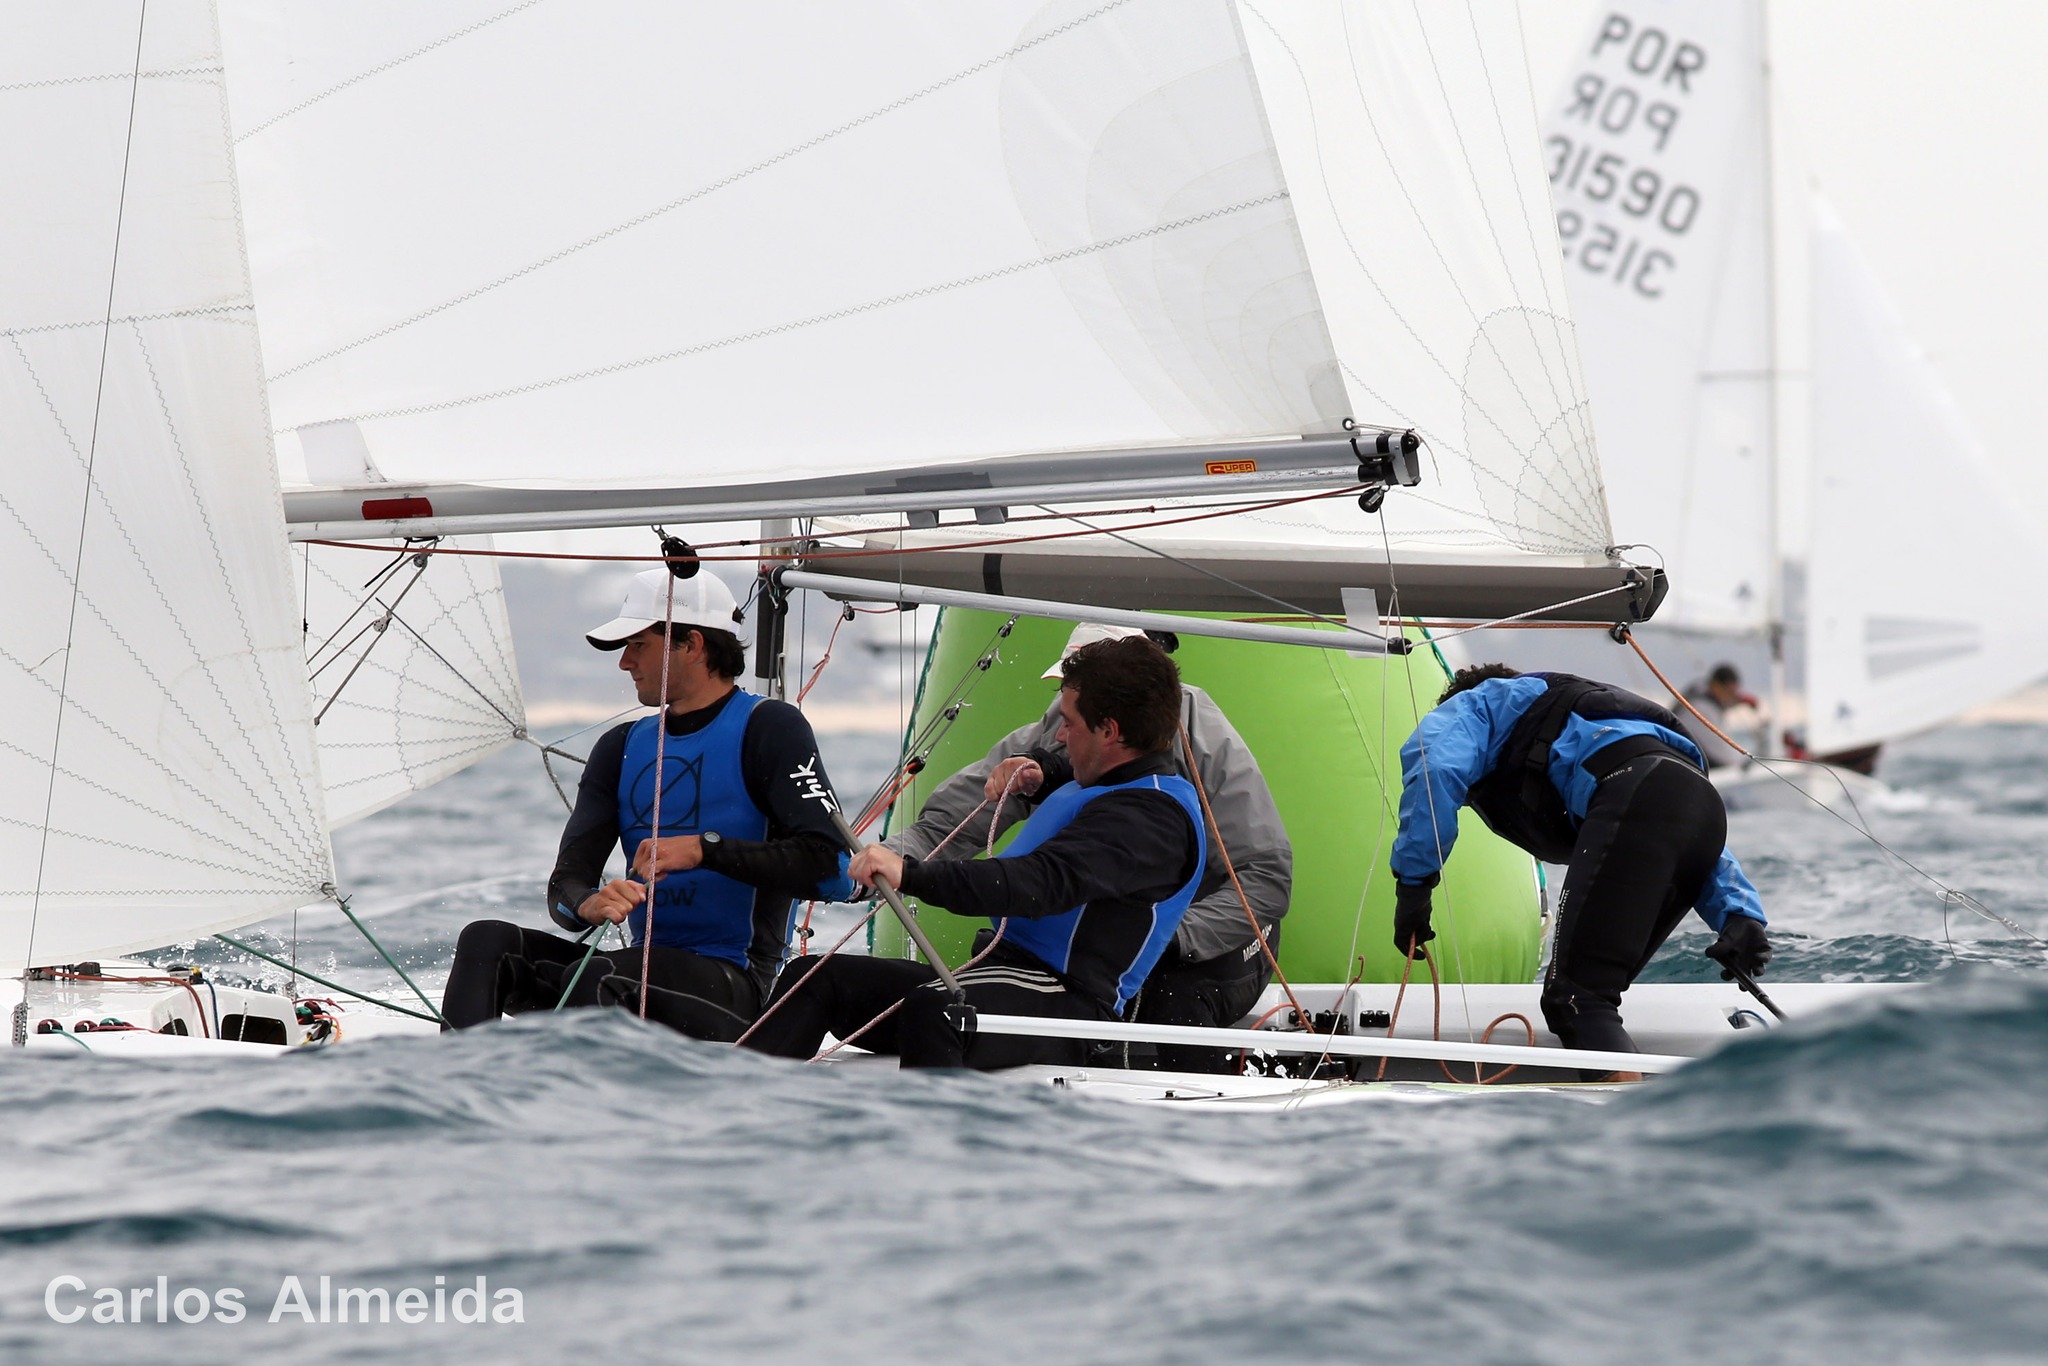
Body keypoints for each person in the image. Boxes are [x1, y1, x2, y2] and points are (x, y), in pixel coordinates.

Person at [744, 634, 1205, 1069]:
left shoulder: (1150, 821)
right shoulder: (1116, 776)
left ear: (1110, 731)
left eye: (1069, 723)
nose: (1060, 736)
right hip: (1006, 975)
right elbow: (1073, 770)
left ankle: (929, 1148)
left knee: (940, 1010)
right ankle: (743, 1117)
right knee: (813, 978)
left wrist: (911, 875)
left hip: (1071, 1004)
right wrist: (1040, 769)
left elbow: (1035, 884)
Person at [440, 567, 853, 1037]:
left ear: (692, 645)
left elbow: (834, 870)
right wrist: (589, 904)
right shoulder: (621, 747)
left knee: (608, 975)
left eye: (638, 645)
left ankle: (563, 1101)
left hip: (736, 983)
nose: (624, 662)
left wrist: (707, 850)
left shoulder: (770, 728)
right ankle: (457, 1093)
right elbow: (565, 885)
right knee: (487, 941)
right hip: (632, 974)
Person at [883, 622, 1291, 1072]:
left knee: (1175, 1002)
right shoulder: (1064, 726)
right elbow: (950, 824)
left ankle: (1200, 1125)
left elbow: (1265, 881)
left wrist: (1156, 936)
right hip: (1102, 943)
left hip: (1216, 939)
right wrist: (884, 865)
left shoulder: (1205, 743)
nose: (1063, 714)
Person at [1389, 664, 1771, 1070]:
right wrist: (1740, 915)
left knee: (1575, 999)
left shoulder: (1475, 704)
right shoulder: (1583, 717)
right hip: (1701, 804)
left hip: (1632, 793)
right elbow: (1671, 814)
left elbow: (1436, 772)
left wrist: (1414, 885)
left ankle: (1629, 1123)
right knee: (1588, 994)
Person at [1681, 663, 1766, 769]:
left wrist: (1743, 701)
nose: (1732, 697)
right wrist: (1743, 766)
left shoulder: (1700, 695)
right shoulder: (1701, 709)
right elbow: (1722, 757)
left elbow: (1729, 701)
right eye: (1730, 692)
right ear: (1716, 686)